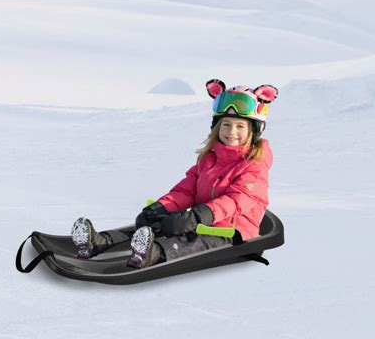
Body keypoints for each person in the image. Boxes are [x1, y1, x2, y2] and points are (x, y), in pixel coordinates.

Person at [71, 79, 278, 269]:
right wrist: (161, 207)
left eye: (240, 126)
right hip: (200, 222)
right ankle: (100, 242)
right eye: (226, 124)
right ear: (216, 127)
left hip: (231, 232)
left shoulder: (255, 166)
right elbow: (186, 190)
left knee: (190, 242)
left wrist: (198, 216)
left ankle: (153, 252)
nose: (231, 132)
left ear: (254, 131)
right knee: (156, 225)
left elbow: (237, 200)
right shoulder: (210, 159)